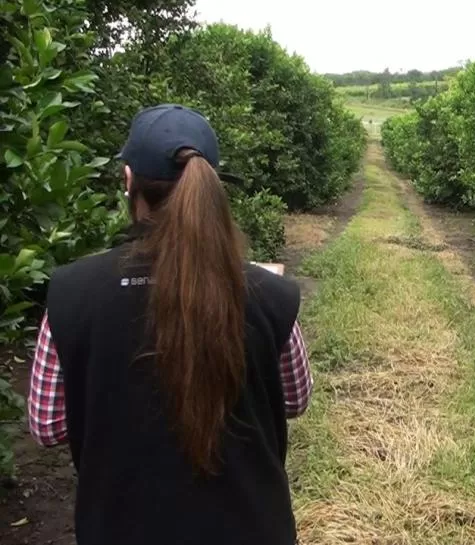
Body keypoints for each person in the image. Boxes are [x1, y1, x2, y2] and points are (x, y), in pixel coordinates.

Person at [27, 104, 312, 545]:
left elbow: (47, 427)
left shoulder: (71, 291)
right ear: (212, 186)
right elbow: (294, 399)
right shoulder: (269, 291)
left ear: (127, 182)